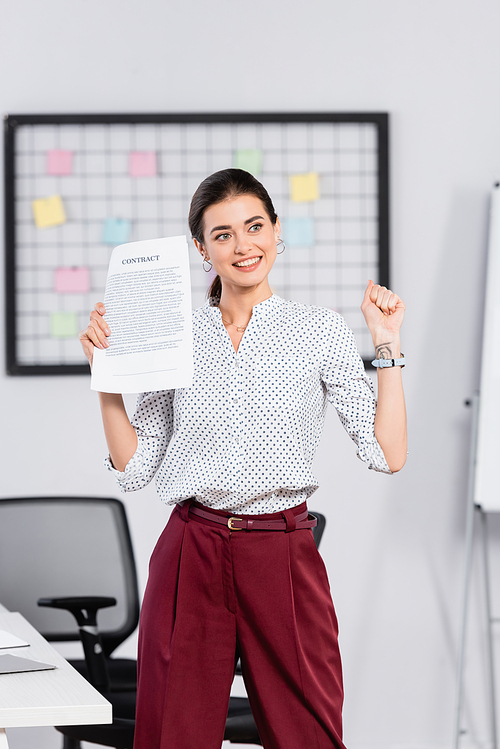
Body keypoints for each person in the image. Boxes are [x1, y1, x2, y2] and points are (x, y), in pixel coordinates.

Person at [79, 168, 407, 749]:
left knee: (307, 731)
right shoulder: (177, 334)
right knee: (171, 736)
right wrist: (107, 377)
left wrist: (386, 343)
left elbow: (387, 454)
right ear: (202, 249)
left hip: (280, 550)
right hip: (191, 548)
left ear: (278, 232)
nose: (243, 245)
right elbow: (135, 467)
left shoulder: (320, 331)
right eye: (223, 234)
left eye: (254, 226)